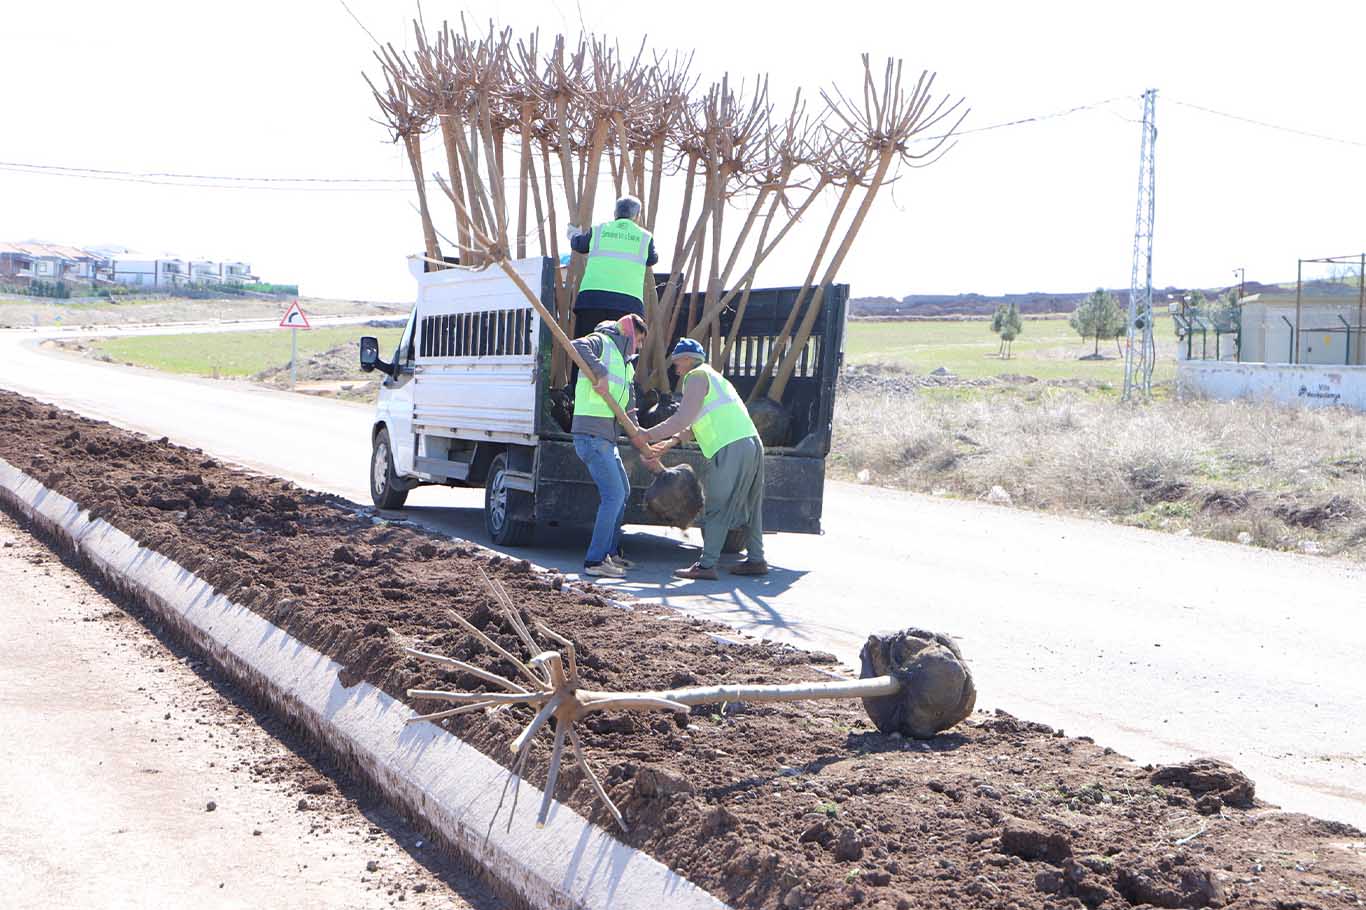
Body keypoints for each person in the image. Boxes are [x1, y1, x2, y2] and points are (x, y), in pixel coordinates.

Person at [644, 339, 768, 580]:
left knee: (717, 505)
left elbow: (681, 418)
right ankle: (756, 560)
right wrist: (671, 442)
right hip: (750, 442)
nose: (675, 368)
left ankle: (706, 566)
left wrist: (646, 434)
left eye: (677, 362)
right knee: (751, 506)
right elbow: (695, 422)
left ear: (688, 358)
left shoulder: (696, 377)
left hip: (731, 446)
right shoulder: (714, 378)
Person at [570, 313, 651, 578]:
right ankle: (595, 561)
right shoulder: (601, 342)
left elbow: (628, 403)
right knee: (613, 496)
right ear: (628, 334)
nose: (638, 347)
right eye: (637, 341)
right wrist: (600, 371)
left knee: (623, 492)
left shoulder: (627, 364)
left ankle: (612, 554)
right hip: (591, 435)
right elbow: (575, 346)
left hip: (607, 437)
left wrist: (637, 431)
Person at [566, 195, 659, 338]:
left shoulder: (598, 230)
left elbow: (579, 244)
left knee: (585, 349)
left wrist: (573, 234)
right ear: (637, 216)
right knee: (623, 352)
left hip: (592, 300)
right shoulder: (645, 237)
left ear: (615, 214)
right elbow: (653, 259)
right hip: (628, 304)